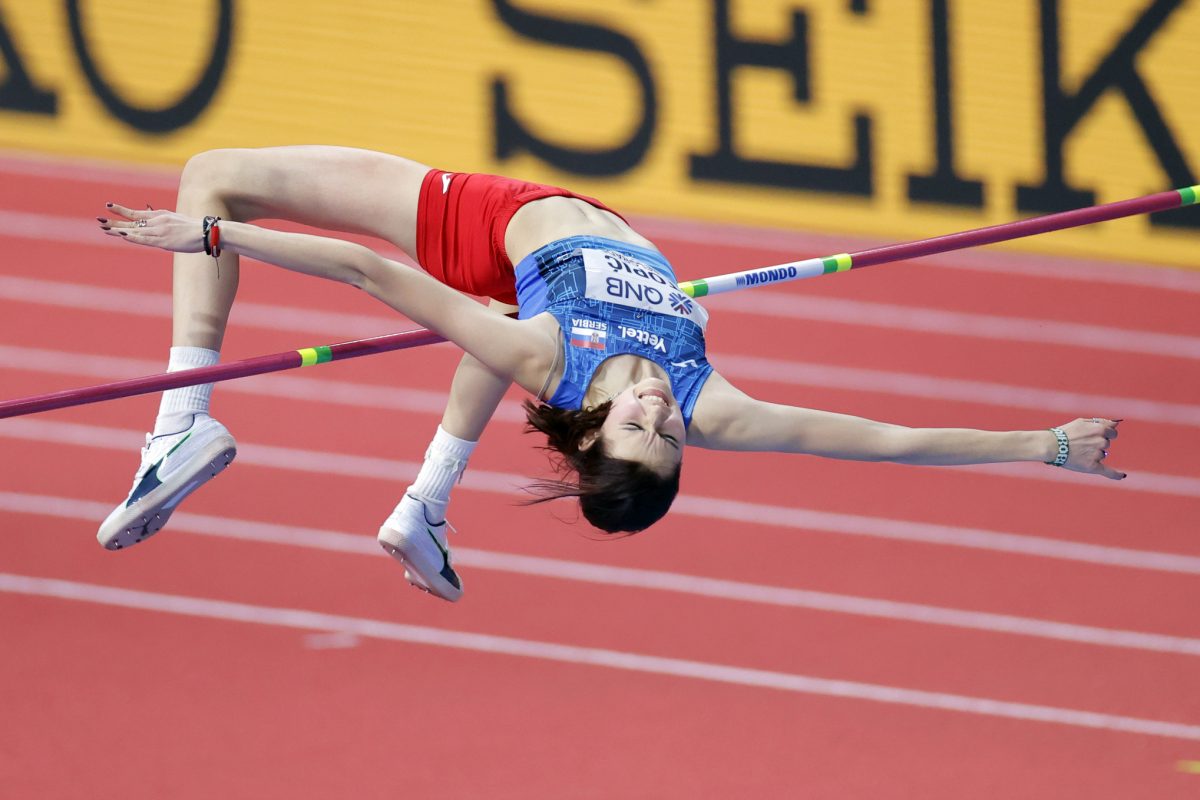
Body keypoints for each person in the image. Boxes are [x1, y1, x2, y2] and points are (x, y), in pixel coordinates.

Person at [94, 146, 1125, 603]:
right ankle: (425, 503)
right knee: (494, 326)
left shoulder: (549, 360)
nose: (661, 411)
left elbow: (370, 270)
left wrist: (214, 233)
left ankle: (180, 425)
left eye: (639, 427)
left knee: (215, 173)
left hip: (484, 223)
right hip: (547, 255)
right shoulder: (706, 395)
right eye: (669, 433)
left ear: (591, 430)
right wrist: (1040, 444)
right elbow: (881, 439)